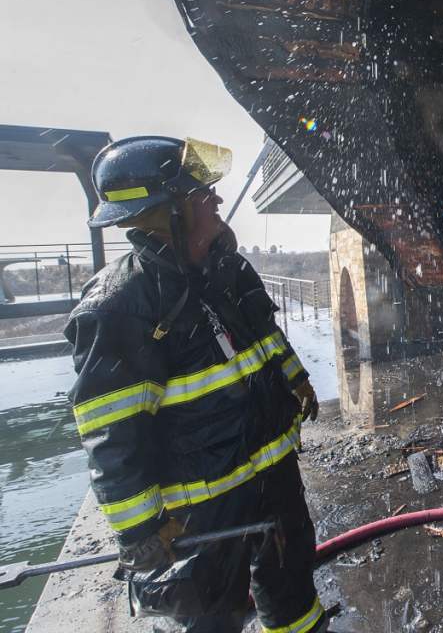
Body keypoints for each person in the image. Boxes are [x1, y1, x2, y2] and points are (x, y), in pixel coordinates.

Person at [63, 136, 326, 633]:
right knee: (208, 619)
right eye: (204, 193)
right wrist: (142, 531)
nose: (218, 200)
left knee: (293, 599)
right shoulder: (122, 306)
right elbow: (110, 435)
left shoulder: (227, 270)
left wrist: (297, 377)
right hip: (203, 513)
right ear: (171, 212)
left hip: (273, 477)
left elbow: (265, 338)